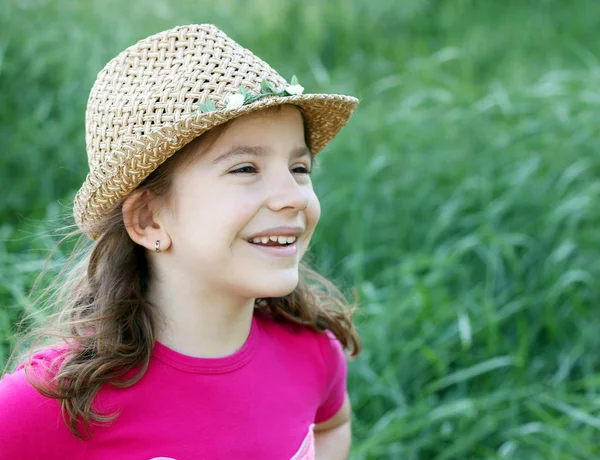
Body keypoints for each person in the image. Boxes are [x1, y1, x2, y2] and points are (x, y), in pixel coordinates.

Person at [0, 24, 362, 459]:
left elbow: (332, 425)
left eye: (299, 168)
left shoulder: (313, 354)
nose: (292, 197)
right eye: (245, 168)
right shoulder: (53, 403)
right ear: (149, 219)